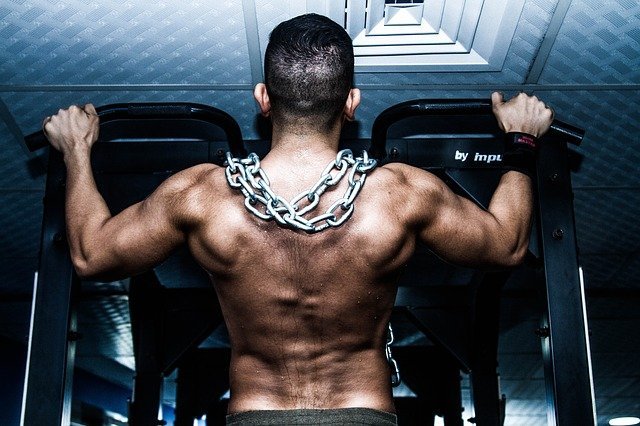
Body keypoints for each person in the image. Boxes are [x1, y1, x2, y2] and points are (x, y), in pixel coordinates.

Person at [43, 13, 553, 426]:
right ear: (351, 103)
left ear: (263, 99)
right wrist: (522, 140)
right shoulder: (403, 194)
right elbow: (506, 246)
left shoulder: (199, 196)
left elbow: (90, 255)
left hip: (255, 415)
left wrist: (76, 150)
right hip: (363, 414)